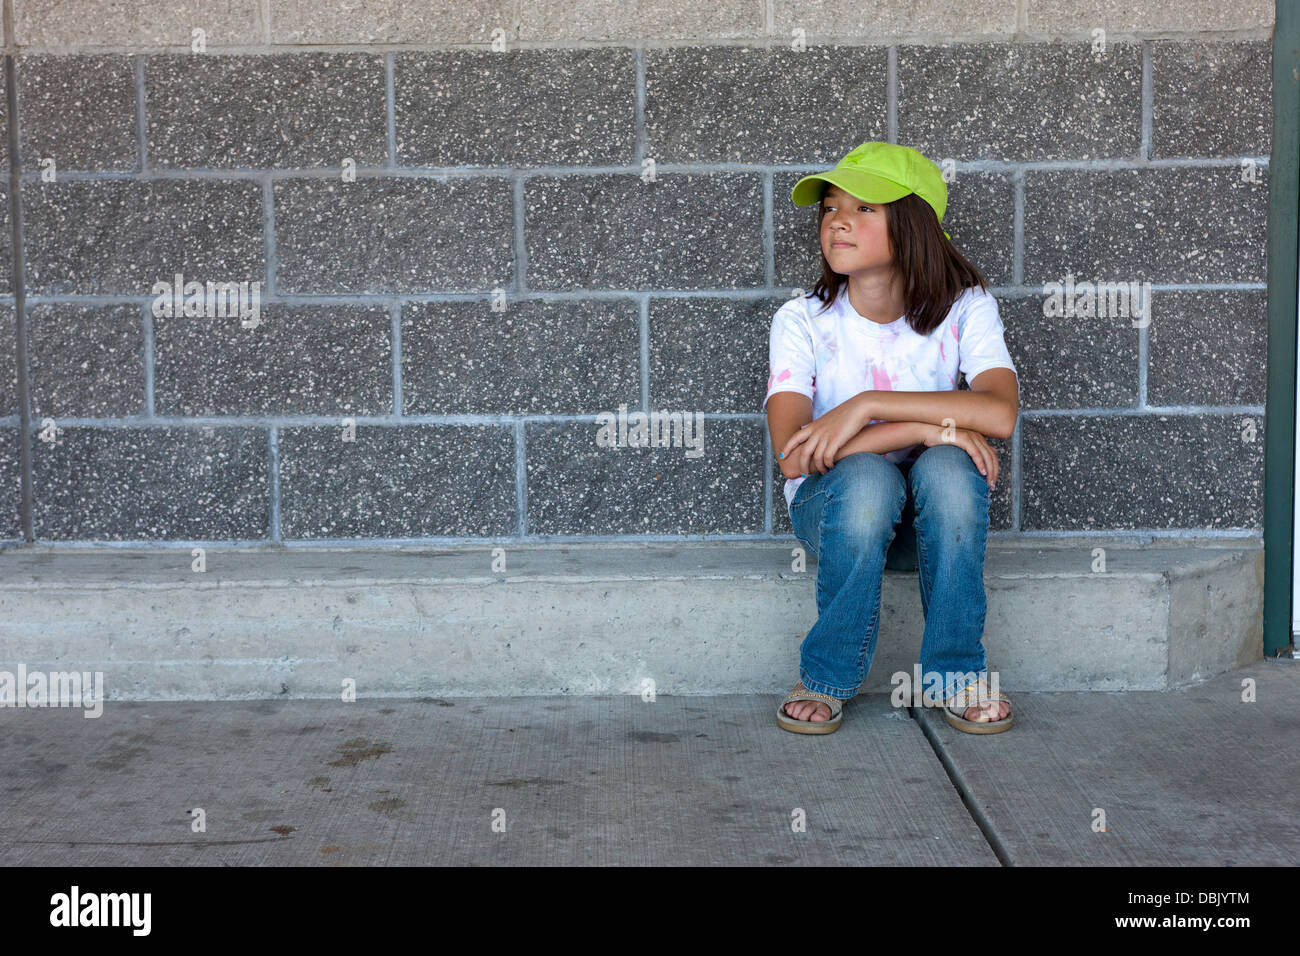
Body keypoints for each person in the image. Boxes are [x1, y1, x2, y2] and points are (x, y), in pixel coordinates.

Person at [764, 141, 1020, 736]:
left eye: (864, 208)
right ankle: (825, 677)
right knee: (873, 480)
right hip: (838, 519)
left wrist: (868, 406)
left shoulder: (966, 307)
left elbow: (1000, 414)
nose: (838, 221)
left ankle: (955, 677)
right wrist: (925, 428)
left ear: (912, 227)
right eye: (830, 207)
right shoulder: (801, 320)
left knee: (951, 469)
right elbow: (793, 454)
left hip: (929, 530)